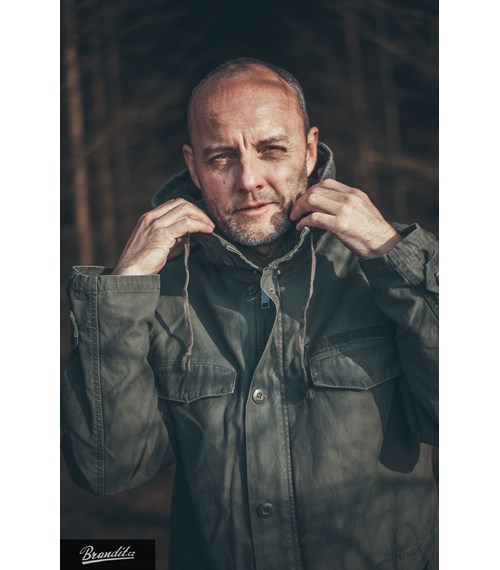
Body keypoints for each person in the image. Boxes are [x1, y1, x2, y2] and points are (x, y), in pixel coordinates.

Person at [61, 57, 439, 570]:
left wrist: (395, 256)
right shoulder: (157, 295)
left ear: (309, 149)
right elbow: (107, 468)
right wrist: (120, 294)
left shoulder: (383, 268)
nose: (249, 180)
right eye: (221, 157)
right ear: (193, 167)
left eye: (271, 150)